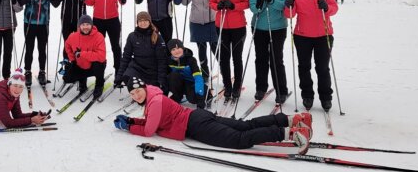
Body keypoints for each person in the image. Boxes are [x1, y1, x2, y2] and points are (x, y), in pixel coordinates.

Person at [113, 77, 313, 154]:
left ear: (144, 88)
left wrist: (129, 127)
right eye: (132, 94)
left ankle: (290, 133)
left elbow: (149, 131)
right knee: (244, 126)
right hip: (197, 116)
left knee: (239, 140)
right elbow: (152, 122)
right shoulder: (154, 96)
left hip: (194, 125)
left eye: (138, 91)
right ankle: (290, 120)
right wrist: (132, 120)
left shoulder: (154, 102)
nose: (136, 95)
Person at [283, 0, 339, 112]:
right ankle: (307, 95)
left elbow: (334, 8)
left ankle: (326, 97)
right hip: (302, 35)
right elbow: (289, 15)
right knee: (304, 67)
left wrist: (326, 8)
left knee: (322, 68)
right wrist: (289, 5)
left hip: (324, 34)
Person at [249, 0, 290, 104]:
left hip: (277, 27)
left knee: (276, 59)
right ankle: (261, 88)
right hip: (259, 27)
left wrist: (271, 0)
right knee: (260, 59)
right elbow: (254, 8)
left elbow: (282, 6)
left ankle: (281, 90)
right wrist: (260, 3)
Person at [209, 0, 249, 102]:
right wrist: (217, 6)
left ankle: (237, 86)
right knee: (224, 59)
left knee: (237, 58)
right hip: (221, 26)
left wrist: (233, 6)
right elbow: (211, 2)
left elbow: (247, 3)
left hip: (238, 26)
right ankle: (228, 86)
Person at [18, 0, 58, 88]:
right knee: (29, 48)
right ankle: (28, 71)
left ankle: (42, 72)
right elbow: (20, 1)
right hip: (29, 22)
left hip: (43, 23)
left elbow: (56, 3)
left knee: (42, 49)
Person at [84, 0, 126, 76]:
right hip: (98, 20)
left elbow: (122, 1)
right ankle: (99, 71)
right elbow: (91, 2)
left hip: (113, 19)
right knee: (98, 48)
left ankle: (119, 71)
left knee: (116, 47)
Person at [182, 0, 218, 82]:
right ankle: (205, 74)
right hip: (196, 22)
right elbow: (185, 2)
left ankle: (225, 71)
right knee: (201, 50)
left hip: (211, 21)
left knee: (216, 49)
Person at [115, 11, 168, 92]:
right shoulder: (132, 36)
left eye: (145, 20)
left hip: (152, 70)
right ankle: (138, 92)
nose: (143, 23)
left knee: (153, 89)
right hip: (137, 68)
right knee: (127, 78)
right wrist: (119, 77)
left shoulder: (157, 37)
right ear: (137, 22)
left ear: (149, 22)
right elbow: (126, 57)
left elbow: (162, 60)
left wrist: (161, 80)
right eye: (140, 21)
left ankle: (147, 88)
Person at [63, 15, 108, 99]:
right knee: (67, 78)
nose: (85, 27)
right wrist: (72, 59)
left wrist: (82, 54)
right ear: (79, 26)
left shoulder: (99, 36)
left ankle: (99, 84)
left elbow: (101, 56)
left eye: (87, 24)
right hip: (81, 65)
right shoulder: (73, 36)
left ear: (91, 25)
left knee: (98, 64)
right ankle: (82, 82)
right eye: (83, 25)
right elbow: (67, 45)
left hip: (94, 66)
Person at [166, 39, 207, 109]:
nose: (177, 51)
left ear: (182, 48)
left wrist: (200, 96)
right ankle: (176, 97)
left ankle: (205, 92)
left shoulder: (191, 60)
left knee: (193, 99)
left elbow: (198, 77)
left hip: (191, 83)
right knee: (173, 75)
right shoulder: (168, 61)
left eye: (178, 48)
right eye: (173, 49)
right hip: (179, 84)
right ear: (170, 52)